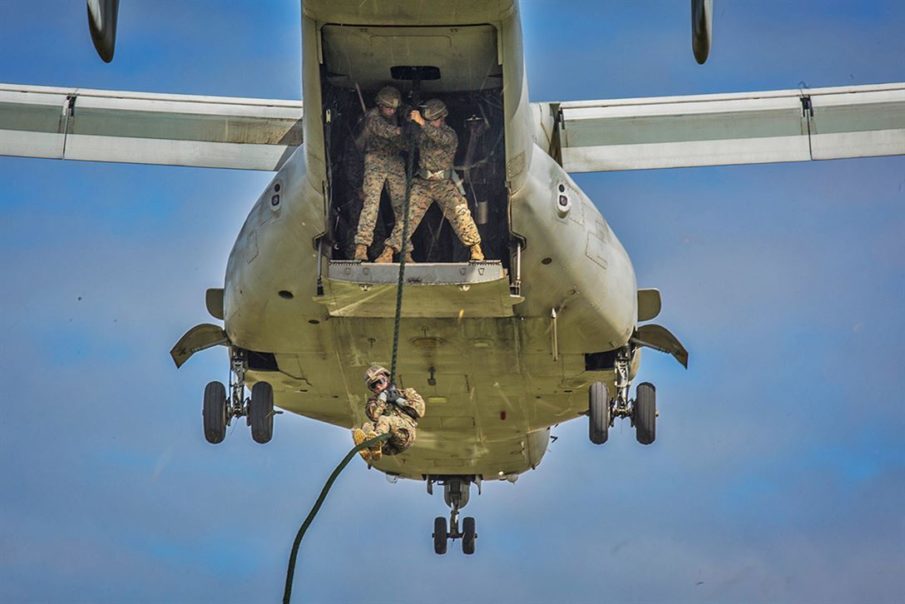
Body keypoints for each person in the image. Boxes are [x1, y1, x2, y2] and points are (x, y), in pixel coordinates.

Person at [379, 98, 484, 263]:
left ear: (442, 118)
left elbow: (439, 137)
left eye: (433, 119)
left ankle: (475, 249)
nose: (429, 122)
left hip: (443, 184)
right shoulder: (423, 132)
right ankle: (389, 251)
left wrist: (421, 122)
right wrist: (408, 124)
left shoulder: (449, 134)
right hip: (423, 184)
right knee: (407, 217)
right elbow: (408, 143)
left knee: (460, 215)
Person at [353, 86, 408, 262]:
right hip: (375, 162)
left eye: (394, 108)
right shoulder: (373, 117)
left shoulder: (397, 116)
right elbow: (385, 130)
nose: (391, 111)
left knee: (403, 208)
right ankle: (361, 248)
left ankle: (406, 251)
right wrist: (404, 131)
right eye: (388, 108)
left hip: (394, 162)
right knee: (371, 204)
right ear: (379, 105)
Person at [352, 365, 426, 463]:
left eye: (380, 382)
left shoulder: (406, 393)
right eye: (374, 385)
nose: (378, 386)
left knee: (384, 419)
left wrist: (399, 400)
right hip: (388, 446)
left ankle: (375, 441)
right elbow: (374, 416)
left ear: (386, 379)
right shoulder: (373, 402)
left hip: (404, 434)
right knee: (366, 427)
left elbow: (420, 411)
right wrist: (382, 399)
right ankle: (370, 449)